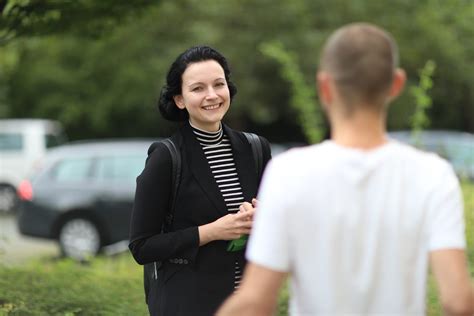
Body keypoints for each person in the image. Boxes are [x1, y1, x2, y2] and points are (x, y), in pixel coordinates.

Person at [217, 23, 474, 315]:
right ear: (397, 84)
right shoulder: (433, 175)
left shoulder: (289, 172)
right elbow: (458, 301)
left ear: (324, 86)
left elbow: (254, 303)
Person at [128, 45, 272, 316]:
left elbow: (278, 221)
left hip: (249, 303)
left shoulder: (256, 148)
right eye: (198, 88)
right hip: (189, 304)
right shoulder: (166, 157)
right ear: (180, 99)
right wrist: (212, 231)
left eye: (219, 84)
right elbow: (141, 247)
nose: (212, 95)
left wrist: (263, 215)